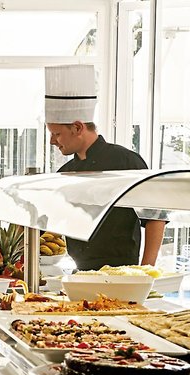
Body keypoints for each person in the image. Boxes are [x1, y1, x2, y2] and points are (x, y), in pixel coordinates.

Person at [45, 65, 166, 271]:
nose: (52, 141)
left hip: (123, 272)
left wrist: (146, 270)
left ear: (77, 128)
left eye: (57, 134)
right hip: (80, 272)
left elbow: (155, 218)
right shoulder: (65, 172)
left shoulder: (127, 162)